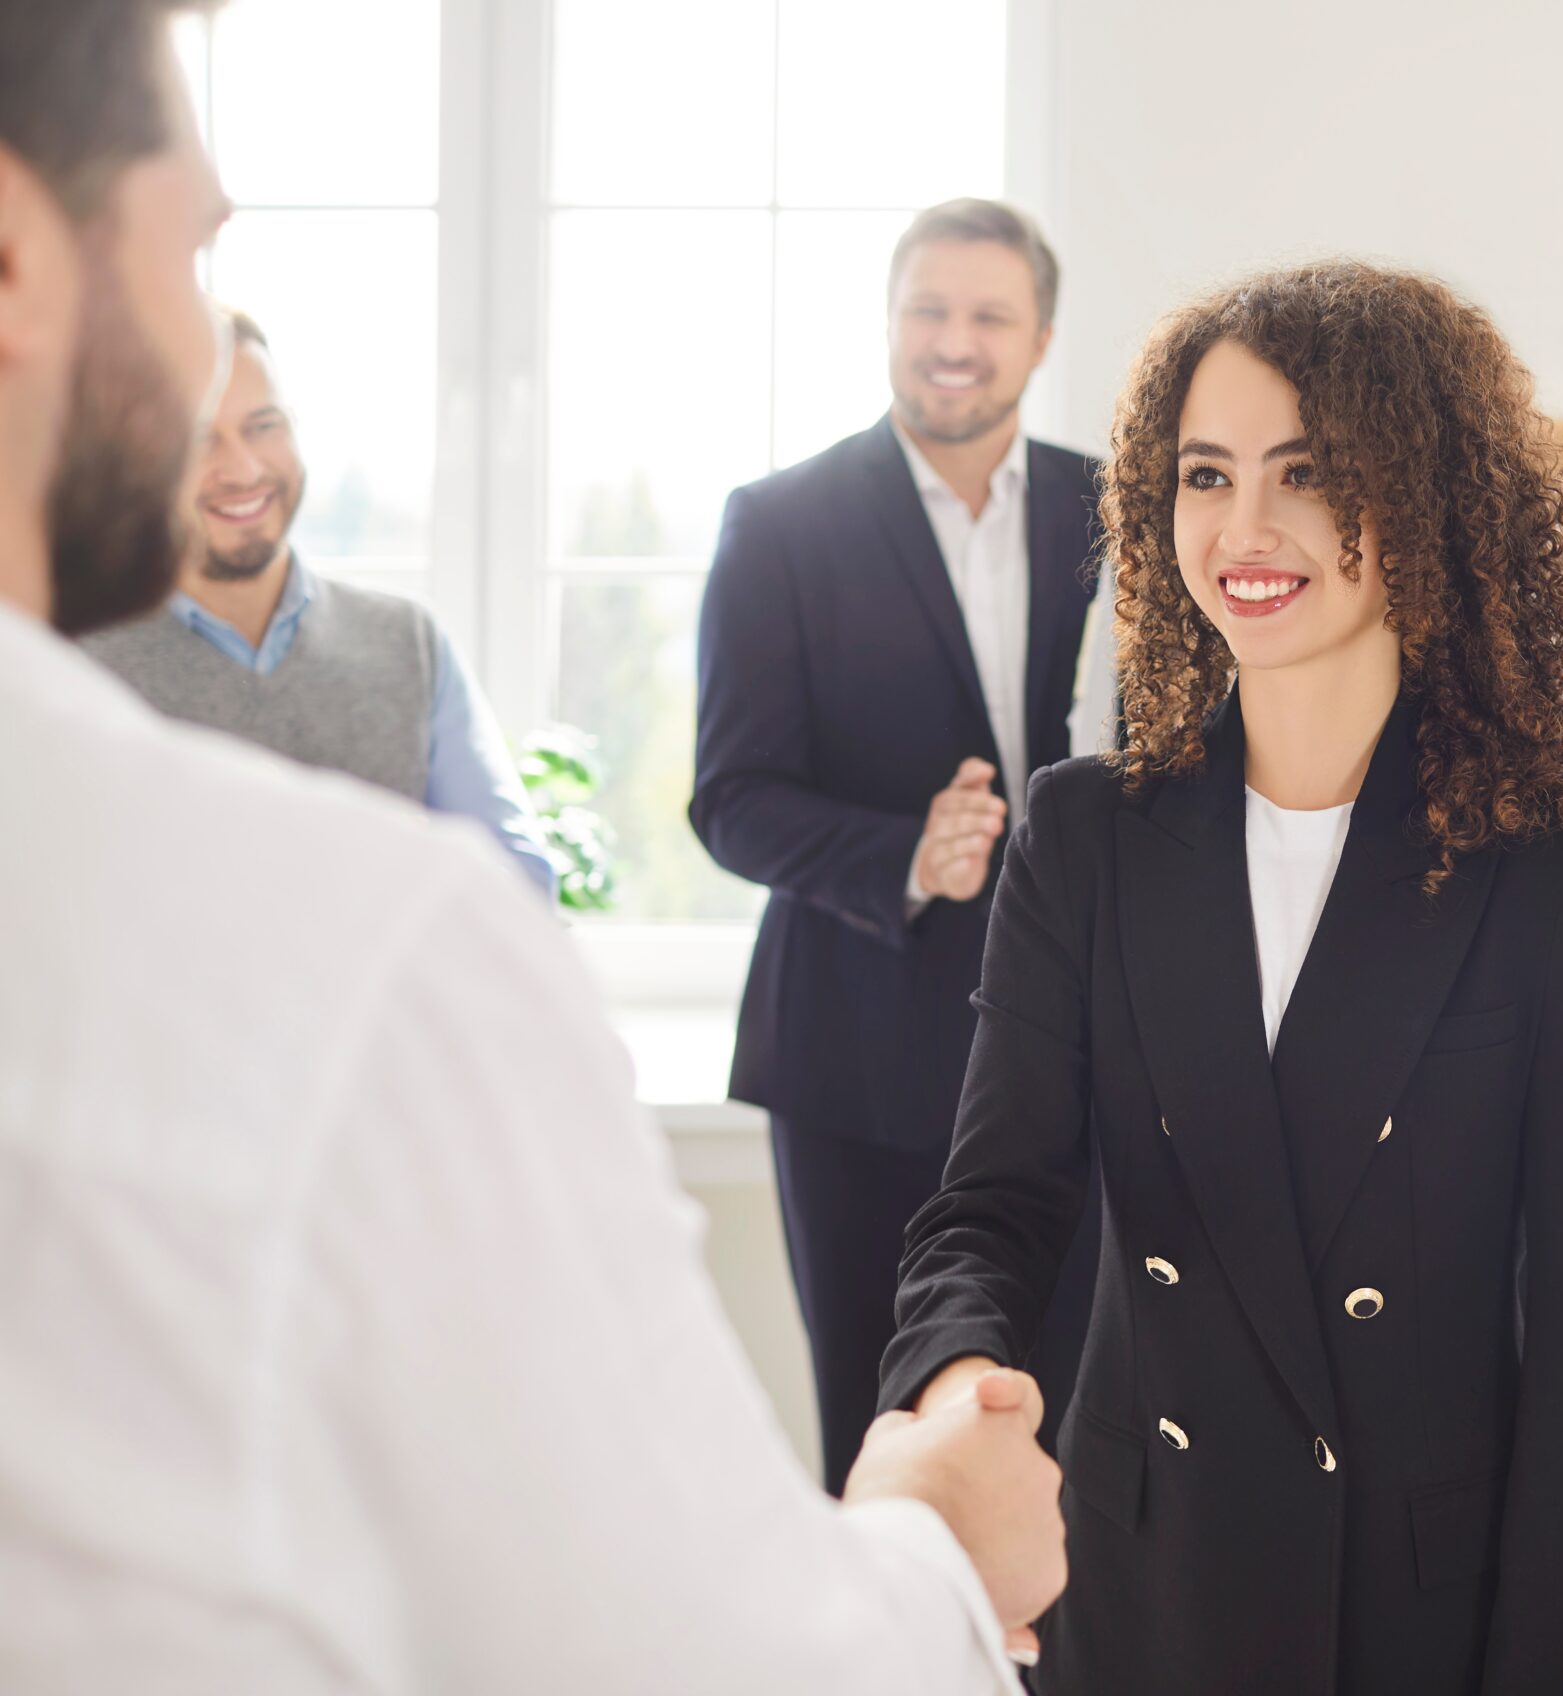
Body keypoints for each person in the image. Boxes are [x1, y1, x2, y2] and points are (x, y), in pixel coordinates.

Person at [0, 6, 1063, 1688]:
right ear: (19, 258)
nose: (221, 384)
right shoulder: (380, 964)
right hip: (854, 1066)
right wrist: (935, 1547)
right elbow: (682, 1643)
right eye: (193, 240)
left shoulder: (1099, 510)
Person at [879, 261, 1563, 1696]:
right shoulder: (1085, 834)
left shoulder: (1553, 860)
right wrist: (957, 1388)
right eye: (1204, 474)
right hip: (1140, 1581)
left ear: (1426, 498)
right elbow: (990, 1210)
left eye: (1307, 472)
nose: (1243, 528)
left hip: (1418, 1608)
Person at [690, 198, 1103, 1487]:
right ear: (887, 323)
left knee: (1072, 1444)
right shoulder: (780, 524)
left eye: (988, 314)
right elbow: (731, 795)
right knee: (878, 1443)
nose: (954, 340)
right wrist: (902, 856)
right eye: (928, 308)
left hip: (1082, 1060)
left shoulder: (1124, 511)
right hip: (854, 1066)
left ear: (1039, 336)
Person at [80, 306, 557, 901]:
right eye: (200, 437)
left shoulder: (407, 645)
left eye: (264, 425)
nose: (243, 468)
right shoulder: (80, 664)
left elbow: (519, 893)